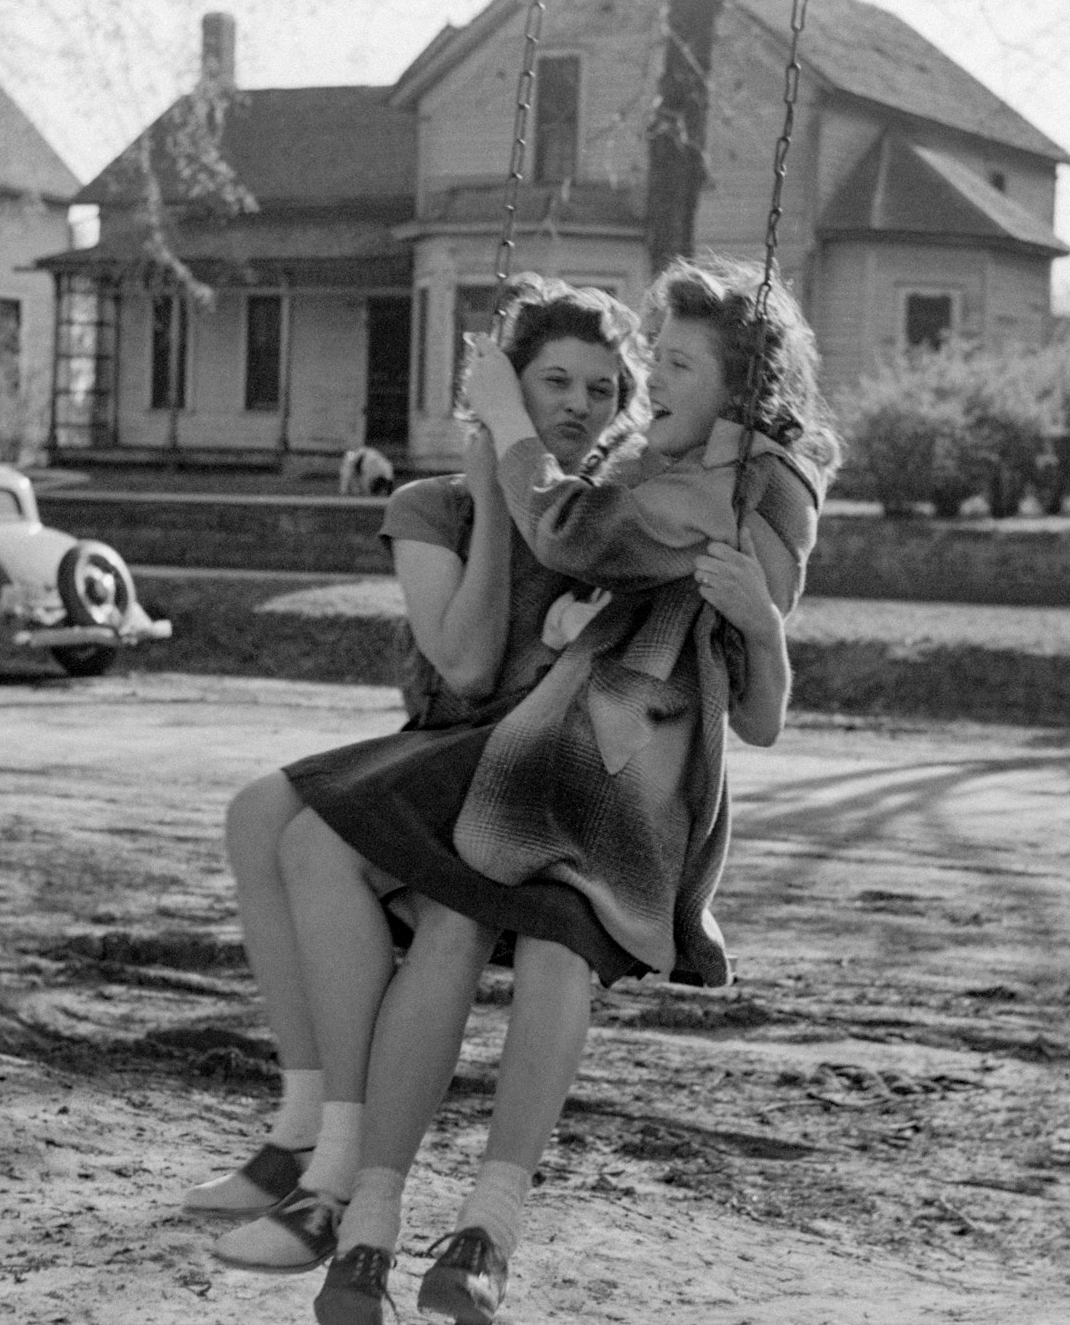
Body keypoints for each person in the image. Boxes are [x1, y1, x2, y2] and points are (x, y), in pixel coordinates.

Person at [304, 254, 843, 1325]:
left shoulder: (745, 489)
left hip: (628, 781)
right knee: (453, 922)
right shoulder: (660, 461)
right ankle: (369, 1228)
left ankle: (485, 1231)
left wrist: (508, 423)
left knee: (556, 942)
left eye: (676, 361)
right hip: (543, 747)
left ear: (736, 384)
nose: (656, 379)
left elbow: (580, 540)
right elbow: (593, 563)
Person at [185, 280, 645, 1266]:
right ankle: (302, 1120)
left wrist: (521, 496)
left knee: (326, 846)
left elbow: (493, 678)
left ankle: (333, 1175)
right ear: (506, 391)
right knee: (255, 812)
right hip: (439, 741)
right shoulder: (430, 505)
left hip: (514, 772)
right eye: (552, 382)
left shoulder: (601, 522)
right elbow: (463, 660)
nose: (576, 404)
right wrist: (489, 484)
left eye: (601, 391)